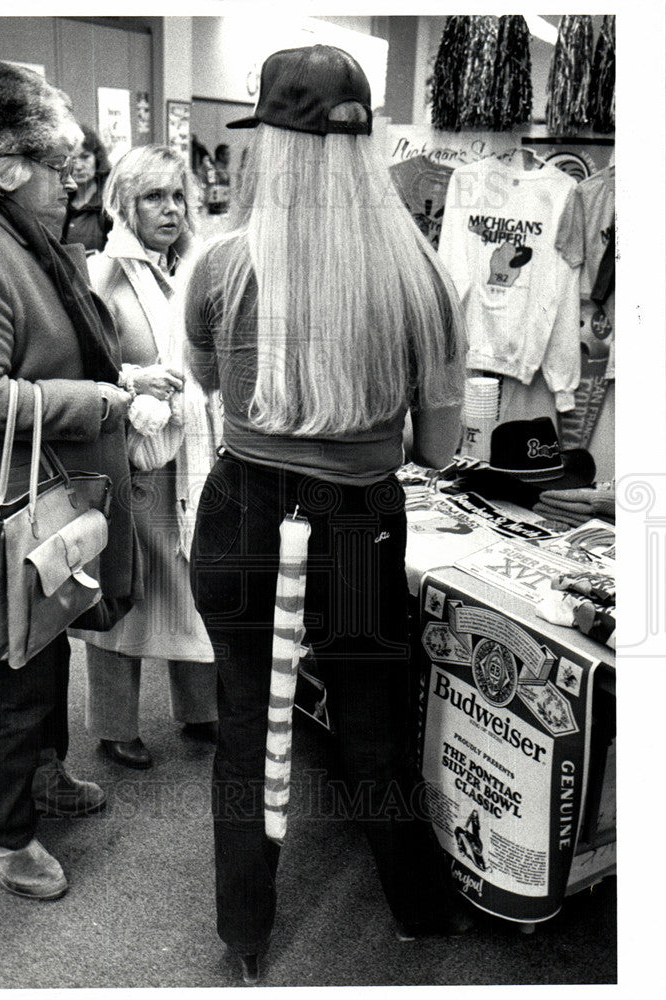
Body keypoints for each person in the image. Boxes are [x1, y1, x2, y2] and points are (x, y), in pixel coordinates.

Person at [184, 45, 471, 983]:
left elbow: (208, 387)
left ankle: (244, 933)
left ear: (268, 143)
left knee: (243, 722)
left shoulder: (221, 265)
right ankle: (419, 911)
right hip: (356, 520)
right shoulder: (418, 278)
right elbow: (435, 449)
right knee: (371, 721)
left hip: (241, 508)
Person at [0, 61, 138, 901]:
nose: (71, 183)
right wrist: (99, 401)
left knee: (42, 654)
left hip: (41, 501)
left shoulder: (29, 245)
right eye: (59, 167)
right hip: (1, 513)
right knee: (9, 676)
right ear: (10, 168)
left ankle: (40, 779)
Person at [72, 145, 220, 769]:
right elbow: (82, 369)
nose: (171, 209)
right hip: (133, 460)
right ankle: (113, 726)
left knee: (191, 587)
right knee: (124, 596)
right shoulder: (101, 274)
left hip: (190, 455)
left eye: (178, 196)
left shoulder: (192, 266)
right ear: (125, 205)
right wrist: (136, 380)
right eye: (154, 197)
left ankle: (201, 712)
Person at [61, 123, 113, 252]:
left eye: (85, 157)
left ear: (97, 158)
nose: (78, 166)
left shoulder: (110, 201)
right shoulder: (59, 199)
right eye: (72, 159)